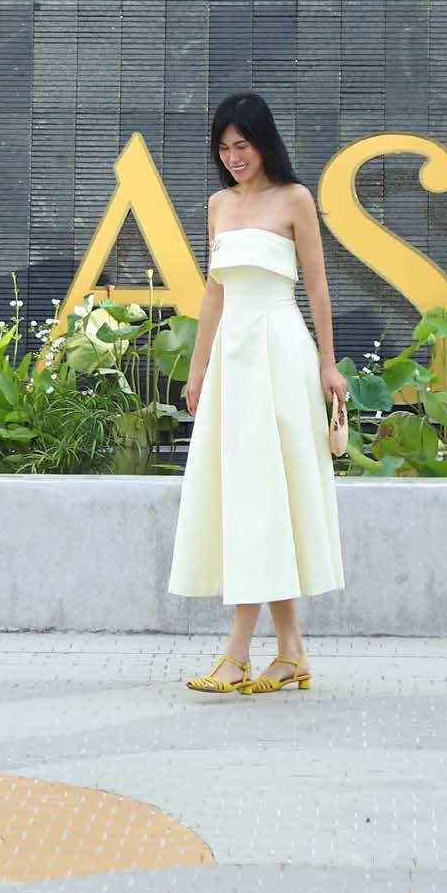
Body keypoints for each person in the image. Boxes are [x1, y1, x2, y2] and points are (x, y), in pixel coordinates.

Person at [168, 91, 348, 694]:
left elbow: (318, 287)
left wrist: (328, 364)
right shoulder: (218, 205)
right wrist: (198, 371)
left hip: (280, 353)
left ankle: (237, 654)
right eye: (223, 148)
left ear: (263, 143)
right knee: (256, 496)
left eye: (241, 145)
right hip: (233, 359)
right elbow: (214, 290)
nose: (233, 157)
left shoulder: (295, 199)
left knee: (264, 496)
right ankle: (291, 652)